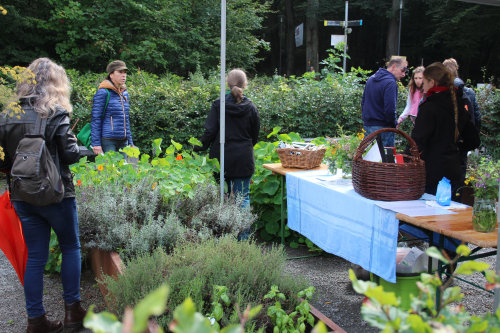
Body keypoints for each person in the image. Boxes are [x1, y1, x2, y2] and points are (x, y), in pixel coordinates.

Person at [0, 58, 86, 332]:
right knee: (70, 246)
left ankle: (35, 320)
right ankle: (73, 313)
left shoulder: (7, 114)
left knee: (36, 256)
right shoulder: (55, 112)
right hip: (56, 193)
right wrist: (80, 145)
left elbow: (3, 160)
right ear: (56, 84)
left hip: (23, 194)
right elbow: (70, 154)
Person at [194, 69, 260, 210]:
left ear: (227, 84)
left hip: (221, 158)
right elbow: (255, 136)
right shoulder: (251, 107)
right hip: (243, 159)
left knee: (222, 198)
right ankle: (243, 232)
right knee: (242, 198)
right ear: (245, 84)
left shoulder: (219, 105)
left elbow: (210, 131)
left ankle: (225, 231)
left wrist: (198, 147)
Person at [411, 62, 476, 197]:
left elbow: (417, 141)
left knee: (427, 214)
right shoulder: (460, 103)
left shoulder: (429, 107)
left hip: (431, 171)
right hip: (453, 169)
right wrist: (455, 148)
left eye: (425, 81)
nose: (423, 85)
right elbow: (473, 140)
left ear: (432, 82)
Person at [361, 56, 408, 147]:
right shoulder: (390, 83)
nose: (404, 74)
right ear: (394, 66)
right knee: (385, 159)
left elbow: (363, 103)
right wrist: (394, 124)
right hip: (384, 129)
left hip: (368, 126)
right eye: (403, 70)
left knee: (369, 159)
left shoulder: (371, 79)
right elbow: (390, 109)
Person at [91, 60, 134, 155]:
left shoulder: (124, 93)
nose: (124, 75)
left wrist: (130, 142)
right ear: (111, 75)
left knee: (125, 169)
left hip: (124, 141)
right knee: (109, 169)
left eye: (125, 72)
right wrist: (96, 144)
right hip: (108, 141)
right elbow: (96, 119)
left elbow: (126, 119)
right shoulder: (103, 92)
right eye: (120, 72)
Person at [443, 58, 481, 131]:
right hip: (466, 135)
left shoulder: (438, 92)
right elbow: (477, 117)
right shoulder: (469, 92)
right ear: (456, 70)